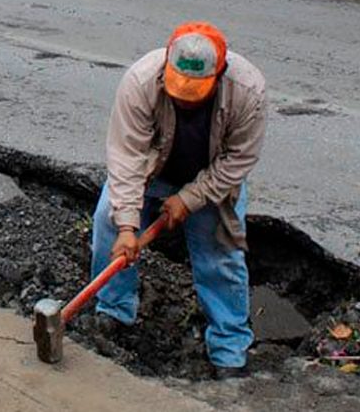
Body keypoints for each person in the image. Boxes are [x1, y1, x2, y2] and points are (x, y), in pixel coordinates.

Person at [90, 22, 267, 379]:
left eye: (195, 92)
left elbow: (239, 159)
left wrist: (189, 198)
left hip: (213, 180)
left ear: (219, 75)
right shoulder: (141, 80)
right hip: (152, 171)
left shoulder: (248, 90)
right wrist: (127, 225)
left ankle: (229, 348)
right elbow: (127, 156)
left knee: (220, 257)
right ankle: (114, 312)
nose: (185, 98)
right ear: (166, 67)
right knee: (109, 221)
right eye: (178, 90)